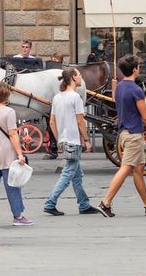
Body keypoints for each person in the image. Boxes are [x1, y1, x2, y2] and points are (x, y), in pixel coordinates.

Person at [95, 54, 146, 218]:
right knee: (127, 168)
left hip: (124, 132)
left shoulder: (120, 86)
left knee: (138, 169)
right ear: (135, 69)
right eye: (138, 66)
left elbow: (116, 99)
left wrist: (114, 86)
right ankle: (105, 203)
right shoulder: (136, 90)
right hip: (134, 133)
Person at [43, 68, 99, 215]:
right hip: (73, 140)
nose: (81, 77)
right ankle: (50, 202)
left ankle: (84, 204)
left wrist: (58, 138)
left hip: (64, 140)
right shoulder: (76, 97)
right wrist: (87, 140)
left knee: (76, 175)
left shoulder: (57, 97)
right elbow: (81, 122)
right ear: (74, 78)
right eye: (79, 75)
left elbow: (52, 122)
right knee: (68, 173)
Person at [0, 81, 31, 226]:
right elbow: (13, 134)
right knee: (12, 186)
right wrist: (20, 154)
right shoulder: (9, 112)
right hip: (7, 153)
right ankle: (17, 216)